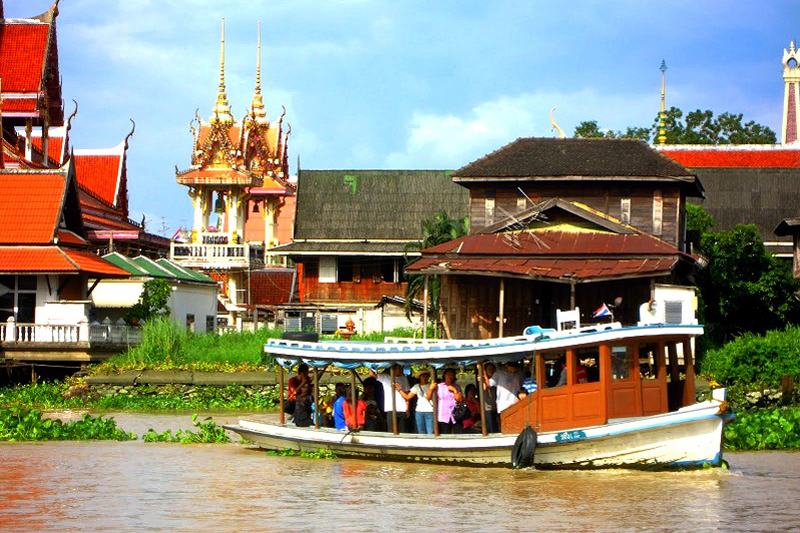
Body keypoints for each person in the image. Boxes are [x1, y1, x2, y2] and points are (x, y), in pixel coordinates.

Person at [371, 365, 411, 432]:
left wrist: (407, 408)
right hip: (391, 408)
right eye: (400, 368)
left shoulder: (404, 378)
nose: (401, 370)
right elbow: (372, 374)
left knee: (402, 431)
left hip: (402, 408)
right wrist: (375, 366)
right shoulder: (385, 377)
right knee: (392, 431)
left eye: (402, 368)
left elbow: (407, 394)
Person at [428, 368, 463, 434]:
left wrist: (454, 390)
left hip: (455, 415)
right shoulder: (439, 386)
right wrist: (431, 388)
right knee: (445, 435)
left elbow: (459, 399)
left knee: (458, 434)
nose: (450, 376)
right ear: (444, 375)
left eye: (452, 375)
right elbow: (429, 397)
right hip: (443, 416)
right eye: (448, 374)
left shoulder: (457, 386)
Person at [409, 368, 434, 434]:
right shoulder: (416, 386)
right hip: (419, 411)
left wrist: (431, 388)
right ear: (420, 377)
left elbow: (429, 397)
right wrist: (399, 389)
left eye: (426, 375)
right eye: (423, 376)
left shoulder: (432, 386)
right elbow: (408, 397)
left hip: (430, 410)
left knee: (430, 432)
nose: (425, 377)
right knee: (421, 431)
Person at [481, 363, 499, 433]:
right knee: (492, 429)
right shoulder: (483, 381)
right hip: (488, 408)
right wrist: (484, 375)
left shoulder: (497, 379)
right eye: (489, 369)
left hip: (497, 407)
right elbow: (484, 387)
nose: (491, 371)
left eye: (492, 369)